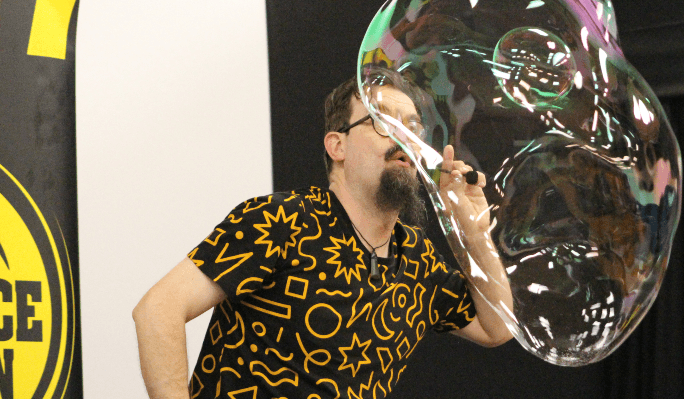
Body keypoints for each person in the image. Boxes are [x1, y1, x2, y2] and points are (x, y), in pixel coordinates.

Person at [133, 71, 513, 399]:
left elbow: (496, 326)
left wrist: (474, 232)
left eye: (413, 127)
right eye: (382, 121)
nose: (404, 137)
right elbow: (158, 309)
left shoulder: (417, 258)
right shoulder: (282, 221)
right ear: (337, 145)